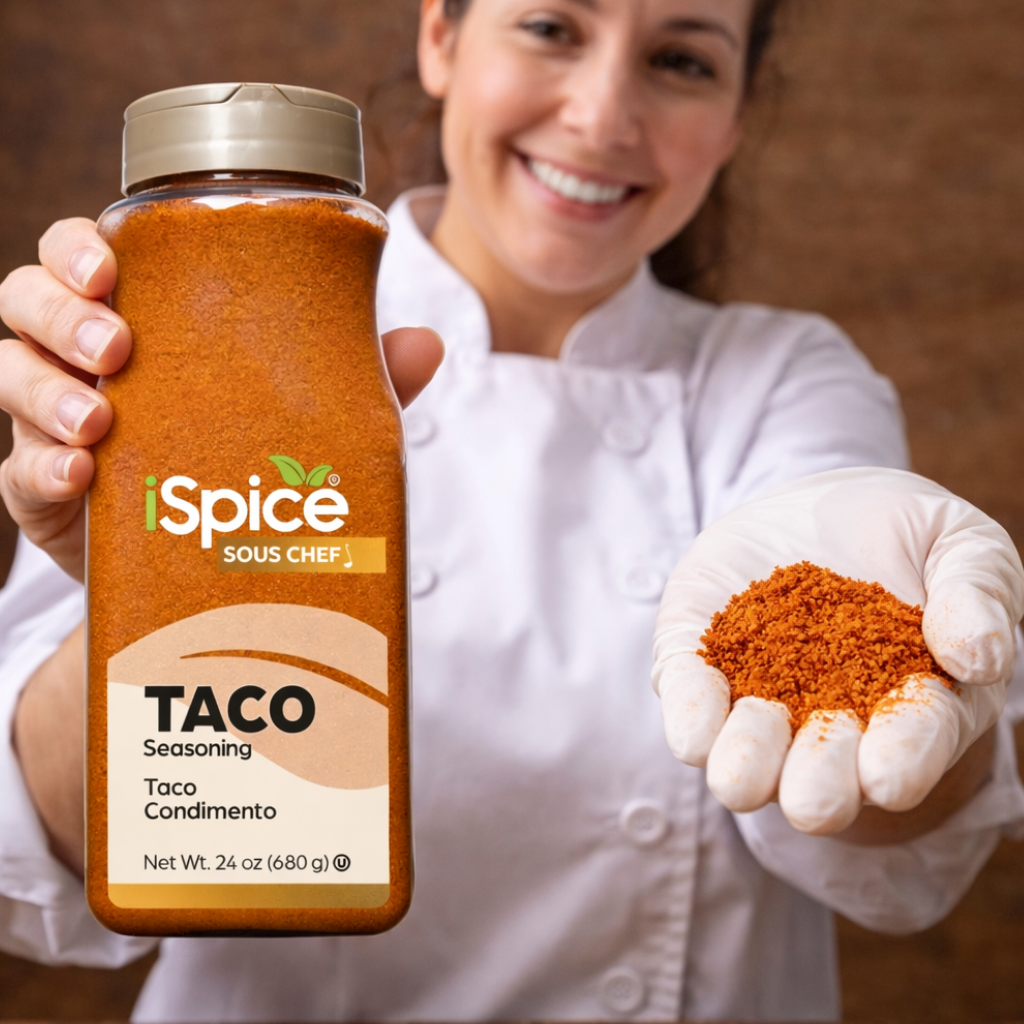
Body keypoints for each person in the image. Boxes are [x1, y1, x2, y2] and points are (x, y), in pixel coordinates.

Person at [0, 0, 1022, 1020]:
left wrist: (934, 684)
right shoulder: (182, 321)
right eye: (550, 29)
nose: (601, 114)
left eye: (678, 59)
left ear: (737, 115)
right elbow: (47, 847)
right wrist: (159, 586)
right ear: (439, 38)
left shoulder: (785, 378)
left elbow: (879, 797)